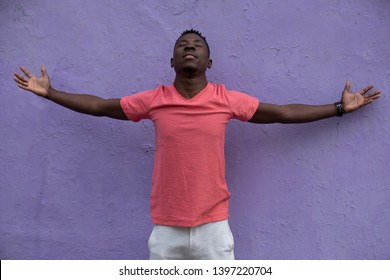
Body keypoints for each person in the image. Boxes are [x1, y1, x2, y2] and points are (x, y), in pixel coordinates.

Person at [13, 29, 381, 260]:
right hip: (166, 230)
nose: (190, 48)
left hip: (213, 229)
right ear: (172, 60)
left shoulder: (225, 99)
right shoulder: (154, 99)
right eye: (183, 46)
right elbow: (101, 106)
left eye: (197, 45)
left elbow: (282, 112)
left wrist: (338, 108)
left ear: (209, 60)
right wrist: (50, 94)